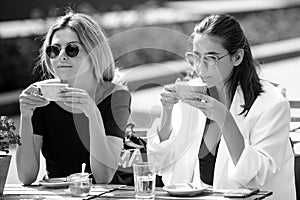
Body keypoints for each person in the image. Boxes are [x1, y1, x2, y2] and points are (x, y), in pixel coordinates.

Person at [147, 14, 296, 199]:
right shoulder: (193, 92)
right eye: (196, 57)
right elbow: (161, 164)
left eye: (211, 58)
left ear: (237, 57)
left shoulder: (272, 104)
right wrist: (167, 112)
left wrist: (224, 118)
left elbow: (257, 177)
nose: (200, 68)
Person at [16, 11, 131, 184]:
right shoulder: (41, 96)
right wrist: (25, 116)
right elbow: (26, 177)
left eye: (72, 49)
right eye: (54, 50)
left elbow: (103, 177)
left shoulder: (116, 96)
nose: (62, 56)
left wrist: (93, 114)